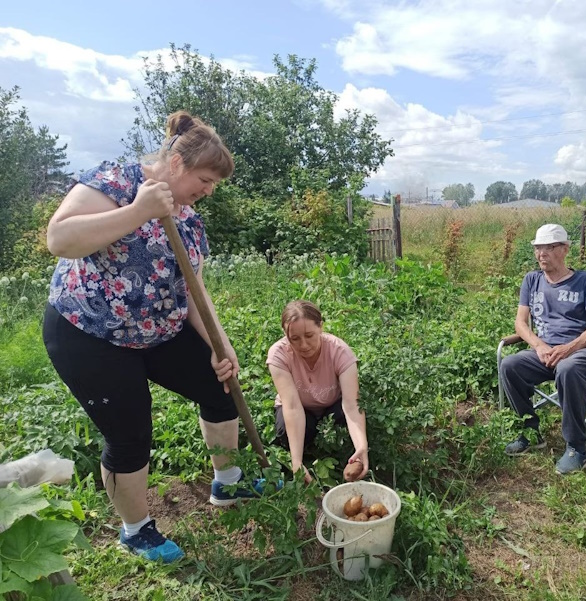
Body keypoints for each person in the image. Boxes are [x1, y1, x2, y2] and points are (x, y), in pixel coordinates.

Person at [43, 111, 265, 563]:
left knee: (217, 382)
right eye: (205, 179)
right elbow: (59, 239)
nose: (208, 190)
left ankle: (228, 482)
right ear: (178, 164)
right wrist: (139, 211)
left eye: (214, 185)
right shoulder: (116, 181)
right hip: (90, 333)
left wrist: (222, 346)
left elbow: (195, 291)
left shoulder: (188, 219)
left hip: (158, 332)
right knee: (130, 433)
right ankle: (136, 530)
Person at [499, 224, 586, 475]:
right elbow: (520, 322)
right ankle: (530, 432)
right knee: (510, 365)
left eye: (549, 247)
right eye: (538, 248)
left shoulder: (585, 281)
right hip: (544, 352)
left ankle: (576, 448)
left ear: (565, 249)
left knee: (567, 368)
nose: (541, 254)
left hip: (580, 351)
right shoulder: (532, 280)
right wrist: (539, 345)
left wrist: (568, 349)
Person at [267, 300, 369, 484]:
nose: (303, 345)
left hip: (332, 406)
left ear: (321, 327)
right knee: (284, 432)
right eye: (295, 338)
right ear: (285, 334)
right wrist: (296, 460)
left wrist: (362, 446)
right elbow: (291, 406)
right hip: (301, 407)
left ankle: (348, 451)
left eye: (309, 335)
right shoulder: (279, 355)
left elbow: (352, 404)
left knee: (343, 424)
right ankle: (303, 452)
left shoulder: (340, 352)